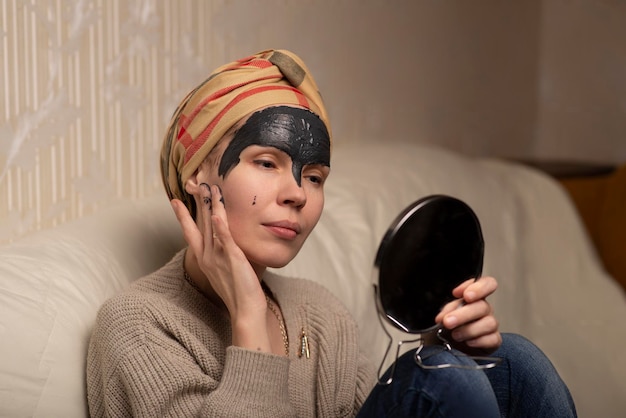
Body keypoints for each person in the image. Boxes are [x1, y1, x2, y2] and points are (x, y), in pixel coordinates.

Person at [86, 49, 577, 417]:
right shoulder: (138, 326)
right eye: (265, 162)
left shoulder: (318, 313)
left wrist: (456, 353)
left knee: (512, 361)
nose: (297, 193)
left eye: (314, 176)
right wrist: (249, 318)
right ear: (197, 177)